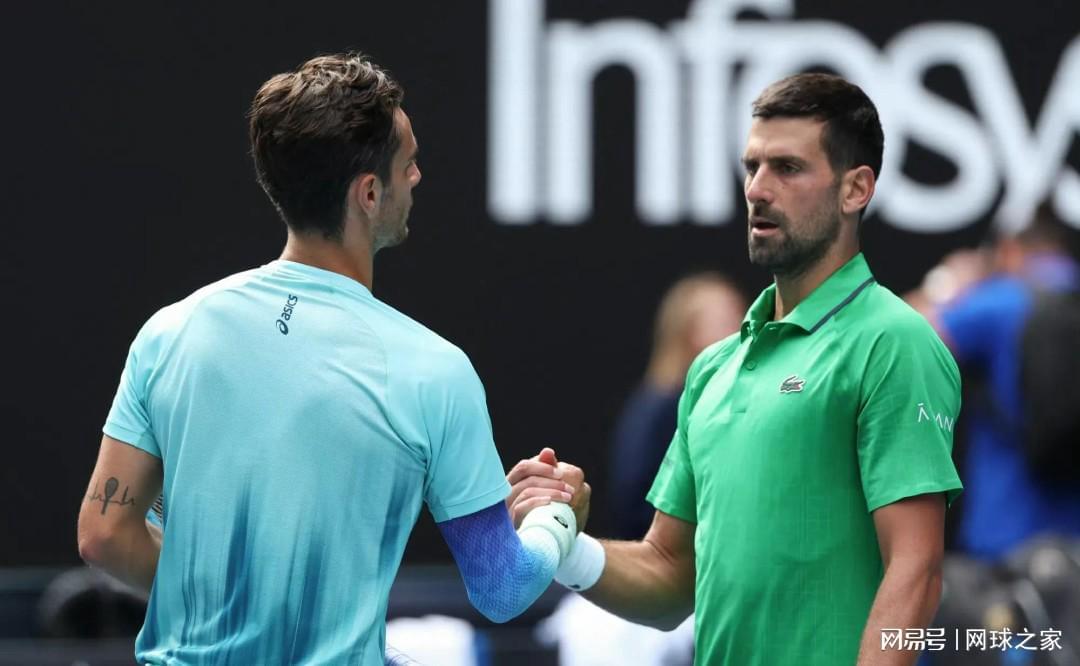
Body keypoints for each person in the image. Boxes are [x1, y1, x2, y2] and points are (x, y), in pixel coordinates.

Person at [76, 53, 584, 665]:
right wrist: (556, 518)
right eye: (408, 162)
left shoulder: (170, 332)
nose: (418, 176)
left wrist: (240, 613)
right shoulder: (434, 370)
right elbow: (502, 586)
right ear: (368, 193)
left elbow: (104, 535)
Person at [508, 73, 964, 665]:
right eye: (752, 167)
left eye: (788, 168)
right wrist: (565, 545)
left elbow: (916, 570)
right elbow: (670, 574)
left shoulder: (894, 342)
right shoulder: (712, 369)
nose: (757, 189)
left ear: (856, 189)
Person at [908, 205, 1080, 559]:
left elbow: (894, 338)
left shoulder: (1002, 301)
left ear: (1009, 250)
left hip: (1006, 538)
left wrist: (946, 285)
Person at [609, 272, 745, 539]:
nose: (740, 329)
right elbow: (635, 503)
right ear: (687, 333)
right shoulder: (662, 409)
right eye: (725, 321)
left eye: (740, 316)